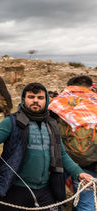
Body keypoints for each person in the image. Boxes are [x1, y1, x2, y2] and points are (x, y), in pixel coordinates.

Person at [0, 82, 93, 211]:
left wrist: (78, 172)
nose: (35, 100)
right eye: (31, 97)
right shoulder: (12, 122)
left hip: (45, 189)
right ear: (23, 99)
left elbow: (61, 154)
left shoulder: (52, 124)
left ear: (46, 101)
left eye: (40, 97)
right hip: (16, 189)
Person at [49, 76, 97, 211]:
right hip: (90, 163)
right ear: (90, 87)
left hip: (61, 160)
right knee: (86, 202)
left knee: (54, 196)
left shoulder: (58, 104)